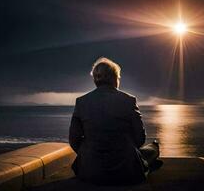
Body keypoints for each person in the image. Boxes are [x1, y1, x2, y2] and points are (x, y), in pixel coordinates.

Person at [69, 57, 161, 185]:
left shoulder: (81, 102)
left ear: (95, 79)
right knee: (152, 150)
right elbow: (140, 138)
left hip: (91, 171)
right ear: (114, 78)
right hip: (124, 171)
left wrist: (92, 154)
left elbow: (74, 139)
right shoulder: (129, 100)